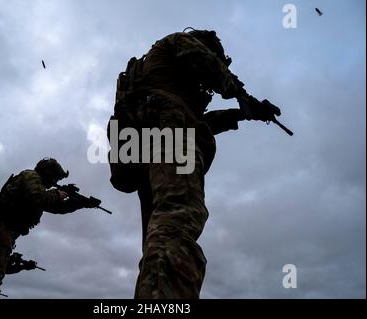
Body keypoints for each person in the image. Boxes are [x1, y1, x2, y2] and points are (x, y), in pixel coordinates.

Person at [107, 28, 283, 298]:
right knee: (178, 219)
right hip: (169, 137)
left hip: (140, 147)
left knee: (160, 229)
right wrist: (239, 91)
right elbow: (203, 64)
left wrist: (242, 114)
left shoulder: (156, 80)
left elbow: (199, 123)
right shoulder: (182, 42)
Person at [0, 158, 100, 299]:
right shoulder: (31, 176)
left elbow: (55, 207)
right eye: (55, 178)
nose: (54, 183)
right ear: (48, 173)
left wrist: (81, 203)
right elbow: (39, 199)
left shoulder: (37, 187)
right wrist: (57, 194)